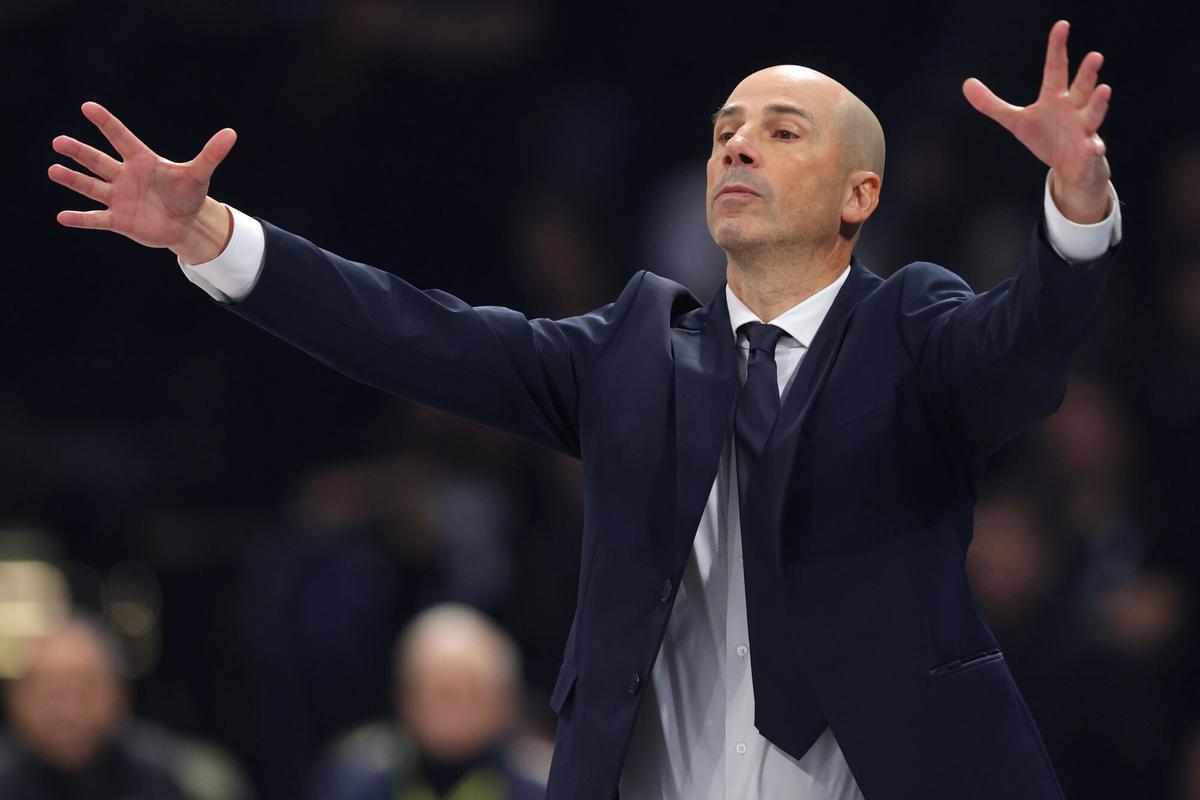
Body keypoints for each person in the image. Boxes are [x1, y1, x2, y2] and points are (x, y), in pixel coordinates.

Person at [47, 19, 1121, 800]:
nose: (737, 145)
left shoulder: (913, 328)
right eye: (725, 129)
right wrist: (214, 238)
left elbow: (1022, 347)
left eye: (782, 131)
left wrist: (1075, 210)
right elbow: (418, 332)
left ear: (860, 196)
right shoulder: (629, 354)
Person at [0, 615, 252, 800]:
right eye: (49, 694)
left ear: (120, 695)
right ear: (15, 702)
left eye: (83, 691)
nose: (67, 711)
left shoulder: (188, 779)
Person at [311, 603, 545, 800]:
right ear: (405, 698)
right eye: (444, 694)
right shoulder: (358, 782)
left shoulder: (542, 787)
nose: (455, 713)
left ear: (504, 701)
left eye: (472, 694)